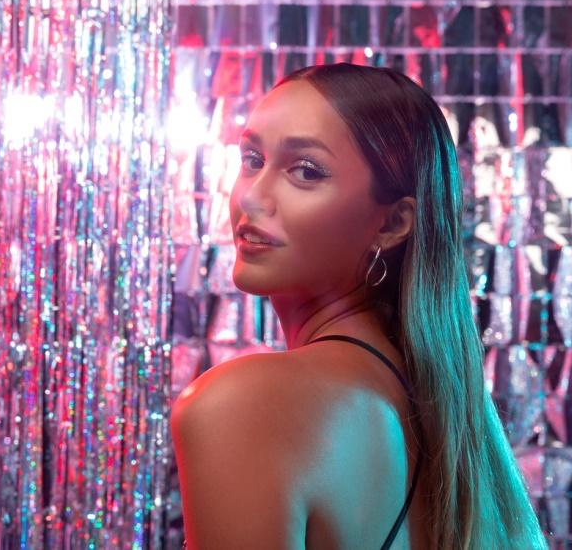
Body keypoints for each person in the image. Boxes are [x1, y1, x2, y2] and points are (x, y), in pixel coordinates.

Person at [170, 63, 547, 549]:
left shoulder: (245, 404)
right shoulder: (435, 412)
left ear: (392, 223)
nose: (253, 198)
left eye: (306, 171)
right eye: (251, 158)